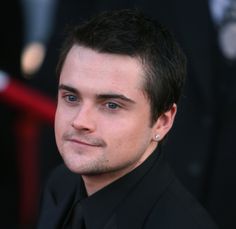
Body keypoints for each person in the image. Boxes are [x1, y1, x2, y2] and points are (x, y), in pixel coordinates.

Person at [37, 9, 218, 228]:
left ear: (163, 121)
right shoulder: (60, 184)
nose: (80, 121)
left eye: (111, 105)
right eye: (71, 97)